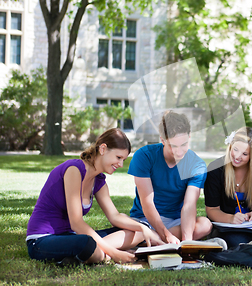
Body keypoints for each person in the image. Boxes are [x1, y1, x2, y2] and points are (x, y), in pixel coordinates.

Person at [26, 128, 163, 265]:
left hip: (70, 237)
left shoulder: (99, 181)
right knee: (87, 243)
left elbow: (114, 216)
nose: (121, 164)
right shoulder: (74, 169)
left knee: (137, 231)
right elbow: (76, 223)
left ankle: (83, 256)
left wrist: (143, 228)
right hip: (43, 240)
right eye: (118, 157)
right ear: (103, 149)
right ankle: (99, 254)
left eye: (123, 159)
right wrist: (114, 253)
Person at [129, 111, 212, 244]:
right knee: (135, 231)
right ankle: (153, 238)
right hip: (145, 219)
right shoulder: (144, 156)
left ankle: (149, 240)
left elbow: (189, 206)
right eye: (173, 146)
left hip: (176, 221)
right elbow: (147, 204)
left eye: (183, 145)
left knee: (205, 225)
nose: (179, 152)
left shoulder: (197, 165)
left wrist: (187, 242)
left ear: (189, 137)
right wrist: (166, 235)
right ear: (162, 140)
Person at [205, 127, 252, 250]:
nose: (237, 156)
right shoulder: (215, 169)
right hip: (227, 224)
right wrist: (231, 219)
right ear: (230, 145)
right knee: (236, 239)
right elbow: (212, 209)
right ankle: (250, 246)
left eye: (245, 154)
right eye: (235, 149)